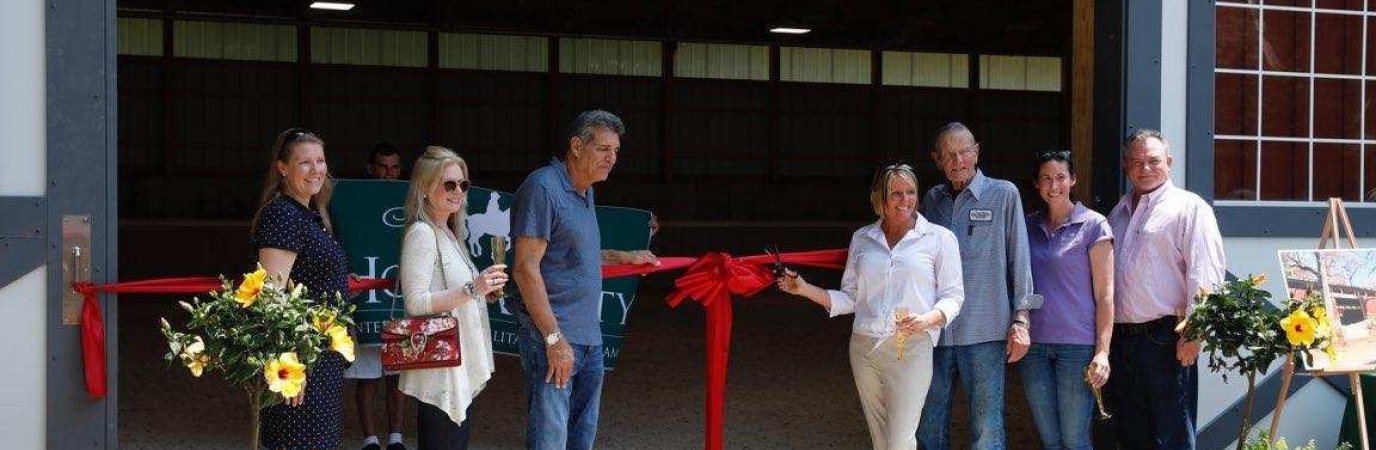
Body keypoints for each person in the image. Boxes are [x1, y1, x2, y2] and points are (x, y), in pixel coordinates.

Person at [778, 163, 963, 450]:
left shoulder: (940, 239)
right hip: (864, 347)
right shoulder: (863, 238)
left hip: (910, 346)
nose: (905, 201)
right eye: (896, 193)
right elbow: (851, 298)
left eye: (911, 192)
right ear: (880, 198)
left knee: (901, 441)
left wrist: (926, 320)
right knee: (881, 440)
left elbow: (954, 297)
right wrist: (803, 289)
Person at [510, 110, 660, 450]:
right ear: (577, 146)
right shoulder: (543, 188)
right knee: (551, 440)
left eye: (616, 151)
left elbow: (570, 254)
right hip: (557, 336)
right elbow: (524, 268)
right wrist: (553, 340)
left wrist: (624, 257)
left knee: (581, 439)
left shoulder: (584, 190)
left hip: (588, 337)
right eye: (604, 149)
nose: (612, 158)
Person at [916, 122, 1041, 450]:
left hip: (985, 332)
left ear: (977, 152)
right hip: (936, 332)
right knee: (929, 422)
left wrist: (1021, 319)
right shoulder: (932, 201)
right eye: (949, 155)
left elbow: (1020, 259)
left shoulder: (1004, 194)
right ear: (937, 160)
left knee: (987, 428)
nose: (958, 161)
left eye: (964, 152)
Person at [1106, 129, 1225, 450]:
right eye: (1136, 162)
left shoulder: (1189, 208)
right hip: (1122, 340)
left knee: (1172, 436)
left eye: (1153, 160)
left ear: (1169, 163)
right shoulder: (1118, 213)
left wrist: (1195, 332)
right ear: (1125, 167)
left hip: (1166, 339)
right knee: (1132, 435)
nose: (1145, 168)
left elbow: (1206, 274)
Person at [397, 146, 508, 450]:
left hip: (454, 359)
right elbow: (416, 303)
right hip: (440, 364)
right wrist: (474, 288)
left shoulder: (449, 232)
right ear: (424, 188)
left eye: (462, 184)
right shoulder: (422, 233)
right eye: (449, 184)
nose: (458, 191)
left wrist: (484, 291)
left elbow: (460, 295)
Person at [251, 127, 351, 450]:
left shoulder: (311, 215)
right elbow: (271, 295)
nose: (316, 170)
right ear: (283, 168)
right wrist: (288, 365)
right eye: (305, 162)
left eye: (320, 161)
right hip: (299, 368)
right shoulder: (282, 215)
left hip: (321, 363)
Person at [1020, 151, 1115, 450]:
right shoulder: (1027, 226)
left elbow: (1105, 295)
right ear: (1036, 184)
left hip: (1077, 347)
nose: (1054, 185)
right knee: (1050, 440)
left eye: (1061, 177)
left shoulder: (1094, 225)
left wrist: (1102, 352)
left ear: (1073, 180)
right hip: (1033, 347)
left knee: (1075, 441)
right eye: (1046, 178)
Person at [347, 141, 411, 450]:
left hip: (398, 296)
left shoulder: (410, 201)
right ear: (371, 169)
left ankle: (396, 437)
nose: (389, 173)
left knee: (398, 373)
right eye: (383, 167)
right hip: (368, 300)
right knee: (368, 374)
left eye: (394, 167)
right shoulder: (353, 202)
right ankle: (370, 439)